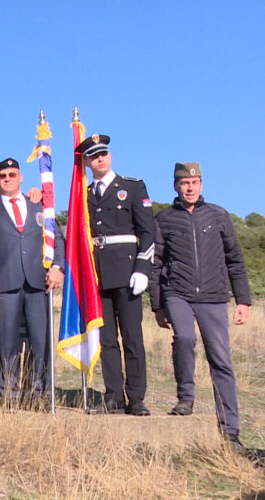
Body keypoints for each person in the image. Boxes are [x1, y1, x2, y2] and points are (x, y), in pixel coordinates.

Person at [151, 162, 252, 452]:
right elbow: (157, 263)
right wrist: (157, 304)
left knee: (220, 359)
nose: (190, 187)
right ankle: (186, 397)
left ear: (202, 185)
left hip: (214, 295)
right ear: (176, 187)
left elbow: (235, 260)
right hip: (177, 292)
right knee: (184, 338)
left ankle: (230, 431)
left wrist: (243, 300)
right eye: (184, 183)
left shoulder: (219, 215)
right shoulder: (165, 219)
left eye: (195, 182)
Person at [78, 134, 154, 416]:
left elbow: (147, 231)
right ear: (86, 161)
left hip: (127, 270)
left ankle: (136, 397)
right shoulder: (84, 194)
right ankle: (113, 395)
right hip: (98, 274)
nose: (100, 159)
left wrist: (143, 268)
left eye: (104, 154)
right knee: (107, 339)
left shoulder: (132, 187)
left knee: (132, 337)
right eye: (93, 156)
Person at [0, 158, 64, 398]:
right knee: (6, 341)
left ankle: (40, 391)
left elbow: (56, 239)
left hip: (38, 282)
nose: (7, 179)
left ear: (21, 177)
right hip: (4, 284)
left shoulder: (39, 206)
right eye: (2, 176)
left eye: (12, 175)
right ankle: (7, 392)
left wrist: (58, 267)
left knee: (40, 340)